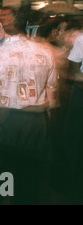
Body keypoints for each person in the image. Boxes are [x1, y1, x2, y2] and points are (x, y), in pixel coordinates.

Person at [0, 6, 58, 204]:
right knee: (26, 178)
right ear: (25, 24)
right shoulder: (47, 53)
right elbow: (52, 95)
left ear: (4, 28)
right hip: (34, 123)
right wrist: (48, 121)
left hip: (1, 121)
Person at [63, 30, 83, 203]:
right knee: (74, 137)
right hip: (81, 93)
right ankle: (71, 184)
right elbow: (74, 65)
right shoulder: (82, 39)